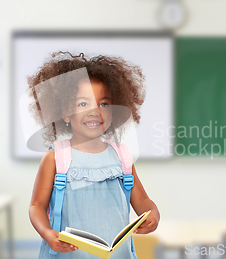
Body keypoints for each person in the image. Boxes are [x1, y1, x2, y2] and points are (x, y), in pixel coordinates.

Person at [27, 51, 160, 258]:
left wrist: (152, 213)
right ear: (65, 113)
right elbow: (37, 206)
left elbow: (143, 201)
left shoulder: (122, 157)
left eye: (104, 104)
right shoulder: (56, 159)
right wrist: (47, 233)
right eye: (83, 104)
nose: (94, 111)